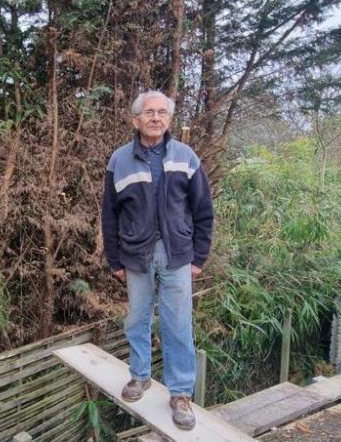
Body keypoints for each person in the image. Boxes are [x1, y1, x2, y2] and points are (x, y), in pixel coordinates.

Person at [101, 90, 214, 430]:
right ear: (136, 119)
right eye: (148, 112)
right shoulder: (119, 161)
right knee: (136, 320)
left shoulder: (186, 156)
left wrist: (199, 255)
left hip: (177, 255)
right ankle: (140, 376)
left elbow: (203, 210)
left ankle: (180, 394)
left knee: (178, 324)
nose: (155, 117)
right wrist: (114, 259)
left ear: (169, 118)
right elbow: (110, 215)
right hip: (136, 255)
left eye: (161, 112)